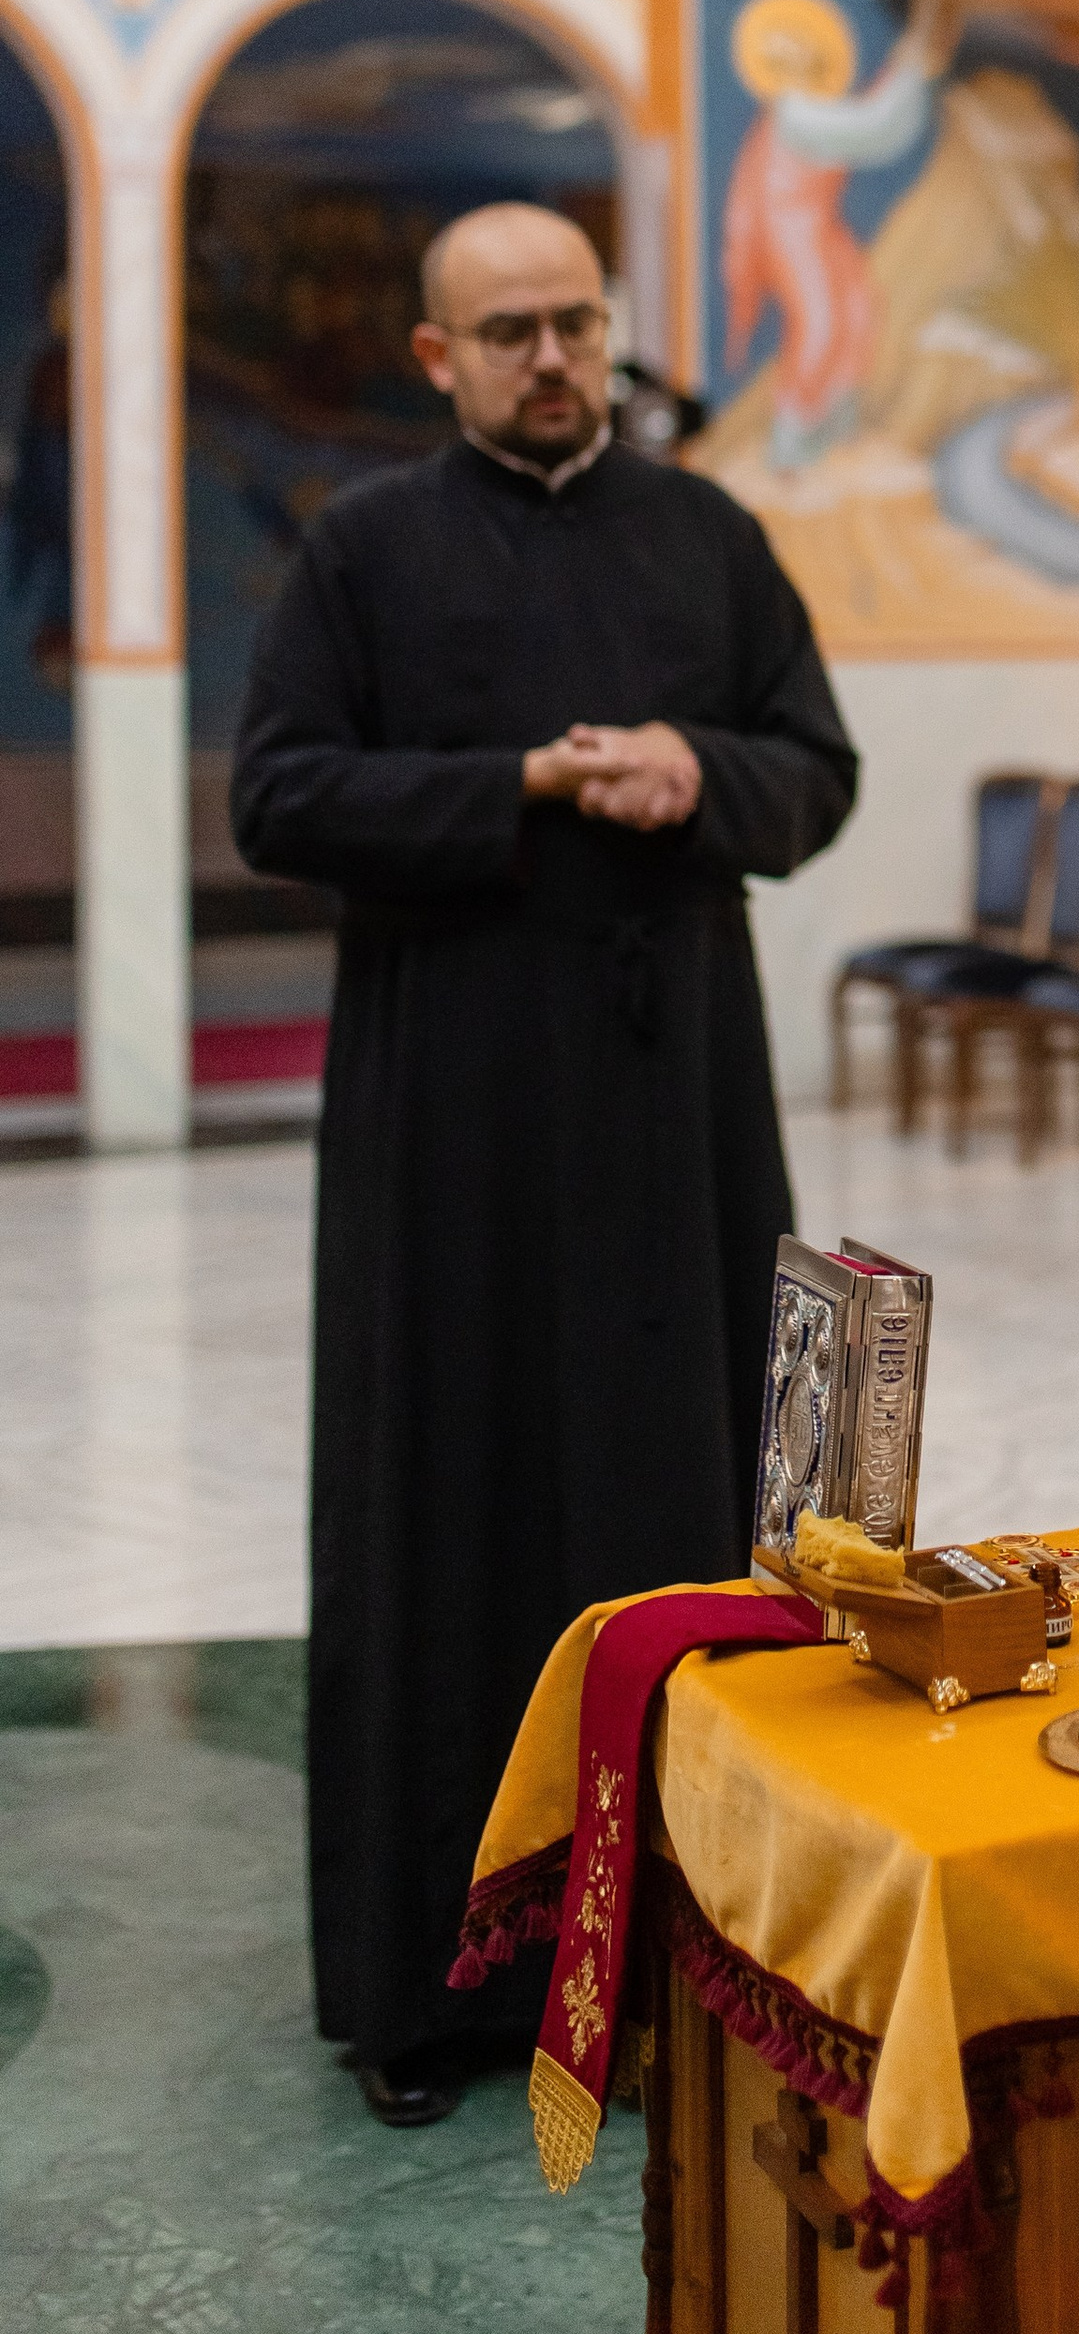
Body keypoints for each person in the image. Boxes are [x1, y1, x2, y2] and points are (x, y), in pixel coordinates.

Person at [231, 201, 858, 2127]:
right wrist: (513, 785)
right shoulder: (366, 554)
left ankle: (680, 1958)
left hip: (676, 1122)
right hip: (458, 1135)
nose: (550, 358)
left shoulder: (711, 537)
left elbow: (812, 771)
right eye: (506, 331)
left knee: (673, 1499)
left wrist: (699, 774)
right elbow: (280, 794)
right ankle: (436, 1999)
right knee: (457, 1494)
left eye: (574, 323)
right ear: (437, 357)